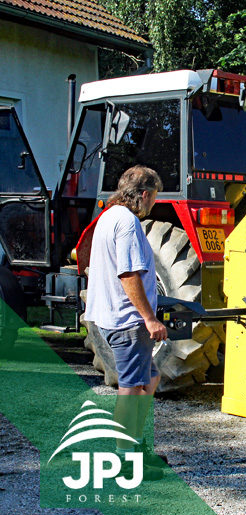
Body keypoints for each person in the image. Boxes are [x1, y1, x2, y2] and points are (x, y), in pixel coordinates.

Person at [84, 165, 168, 478]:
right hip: (129, 321)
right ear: (144, 194)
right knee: (132, 388)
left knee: (150, 378)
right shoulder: (128, 222)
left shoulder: (108, 216)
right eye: (154, 198)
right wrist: (149, 318)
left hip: (113, 317)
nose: (153, 205)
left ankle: (134, 445)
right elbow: (128, 273)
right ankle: (124, 460)